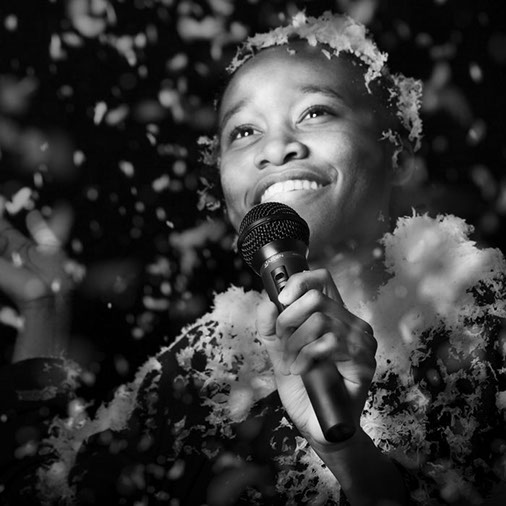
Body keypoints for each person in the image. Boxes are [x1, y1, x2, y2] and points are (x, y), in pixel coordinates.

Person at [1, 10, 505, 506]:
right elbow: (46, 492)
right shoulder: (206, 365)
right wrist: (43, 308)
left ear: (396, 152)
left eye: (315, 112)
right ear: (225, 195)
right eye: (243, 132)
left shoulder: (486, 320)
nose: (276, 148)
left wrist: (348, 454)